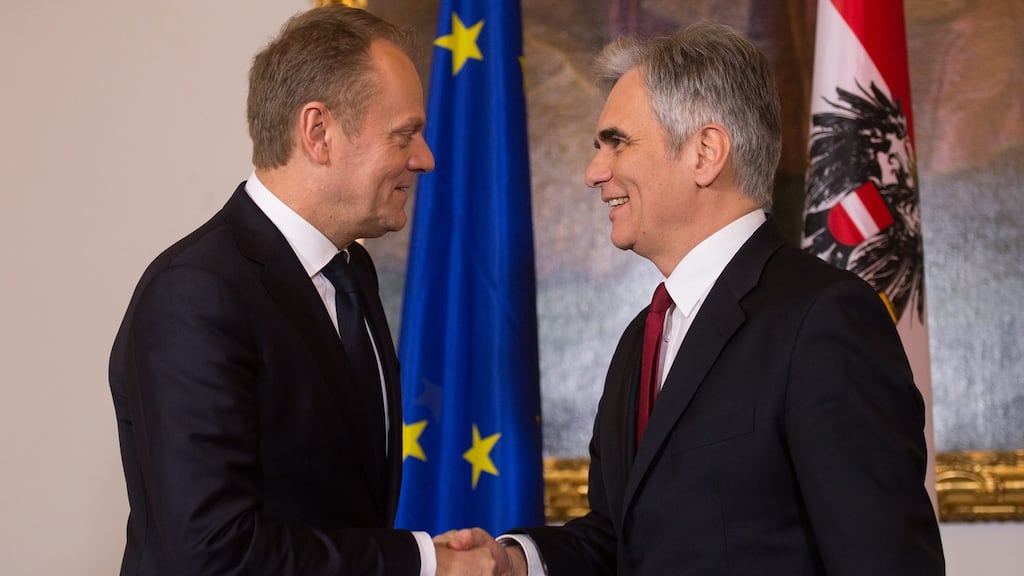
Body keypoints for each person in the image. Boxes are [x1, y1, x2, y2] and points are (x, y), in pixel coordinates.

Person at [441, 21, 944, 575]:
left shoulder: (824, 320)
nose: (593, 173)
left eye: (617, 142)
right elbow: (624, 539)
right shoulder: (643, 338)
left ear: (705, 152)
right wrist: (513, 562)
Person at [109, 5, 505, 575]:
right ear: (318, 133)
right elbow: (214, 554)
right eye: (405, 135)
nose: (425, 159)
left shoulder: (351, 273)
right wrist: (425, 563)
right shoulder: (196, 294)